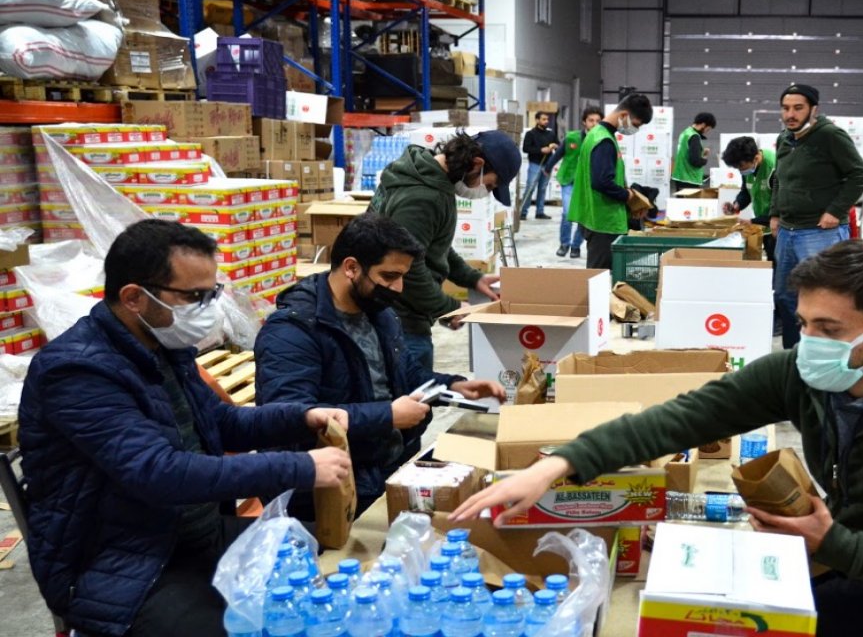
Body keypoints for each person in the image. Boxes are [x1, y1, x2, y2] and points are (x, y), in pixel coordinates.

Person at [451, 240, 863, 637]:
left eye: (830, 330)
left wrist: (833, 544)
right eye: (805, 323)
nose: (810, 341)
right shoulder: (802, 373)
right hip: (851, 550)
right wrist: (559, 463)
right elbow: (685, 418)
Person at [17, 219, 352, 637]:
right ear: (134, 297)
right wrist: (299, 466)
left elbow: (222, 422)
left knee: (316, 560)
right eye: (194, 296)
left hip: (192, 533)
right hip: (124, 563)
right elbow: (158, 472)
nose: (208, 307)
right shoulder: (76, 371)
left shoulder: (161, 347)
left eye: (211, 293)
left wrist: (301, 416)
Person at [255, 214, 505, 519]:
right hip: (329, 491)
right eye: (388, 276)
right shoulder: (293, 331)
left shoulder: (378, 311)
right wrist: (387, 416)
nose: (398, 288)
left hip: (385, 468)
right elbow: (289, 417)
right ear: (351, 267)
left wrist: (451, 385)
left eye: (403, 276)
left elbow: (404, 375)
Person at [369, 130, 519, 373]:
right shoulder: (423, 196)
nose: (485, 192)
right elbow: (406, 269)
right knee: (414, 404)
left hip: (398, 314)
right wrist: (447, 307)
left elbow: (427, 246)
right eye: (489, 185)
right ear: (477, 164)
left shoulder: (427, 175)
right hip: (399, 321)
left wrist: (472, 277)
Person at [771, 84, 863, 349]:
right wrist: (775, 213)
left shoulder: (830, 135)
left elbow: (859, 173)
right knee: (785, 296)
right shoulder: (785, 139)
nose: (790, 114)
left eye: (798, 108)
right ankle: (794, 353)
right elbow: (778, 179)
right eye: (786, 108)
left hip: (819, 232)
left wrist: (835, 211)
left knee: (823, 297)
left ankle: (826, 351)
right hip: (788, 231)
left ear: (814, 109)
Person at [568, 93, 654, 270]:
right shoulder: (604, 141)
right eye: (635, 124)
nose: (634, 130)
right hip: (603, 221)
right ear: (623, 115)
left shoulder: (598, 134)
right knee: (599, 277)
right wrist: (628, 196)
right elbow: (601, 182)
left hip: (598, 217)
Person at [547, 106, 602, 258]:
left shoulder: (602, 141)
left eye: (598, 121)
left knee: (583, 217)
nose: (594, 124)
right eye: (591, 120)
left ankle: (576, 246)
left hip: (588, 183)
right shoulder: (572, 137)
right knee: (567, 213)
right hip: (569, 180)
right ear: (584, 122)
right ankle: (564, 244)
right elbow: (558, 154)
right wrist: (547, 167)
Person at [519, 111, 558, 220]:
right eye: (543, 119)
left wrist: (555, 145)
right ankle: (523, 212)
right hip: (535, 164)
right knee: (530, 188)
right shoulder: (531, 134)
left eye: (547, 119)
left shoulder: (551, 134)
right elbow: (526, 148)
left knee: (542, 189)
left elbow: (558, 144)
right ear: (537, 120)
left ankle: (540, 212)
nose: (546, 121)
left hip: (547, 165)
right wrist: (541, 150)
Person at [671, 111, 716, 191]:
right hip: (689, 179)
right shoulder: (694, 137)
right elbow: (695, 161)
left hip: (680, 176)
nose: (706, 132)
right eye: (708, 129)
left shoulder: (685, 133)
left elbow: (686, 153)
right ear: (703, 125)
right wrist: (704, 157)